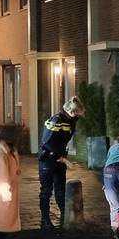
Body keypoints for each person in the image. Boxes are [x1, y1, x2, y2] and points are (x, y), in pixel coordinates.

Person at [39, 97, 84, 231]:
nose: (77, 117)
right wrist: (62, 158)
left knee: (60, 189)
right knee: (46, 190)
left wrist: (62, 157)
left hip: (59, 158)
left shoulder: (71, 121)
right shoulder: (56, 120)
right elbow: (47, 142)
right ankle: (45, 220)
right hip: (47, 159)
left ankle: (65, 219)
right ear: (71, 111)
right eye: (76, 114)